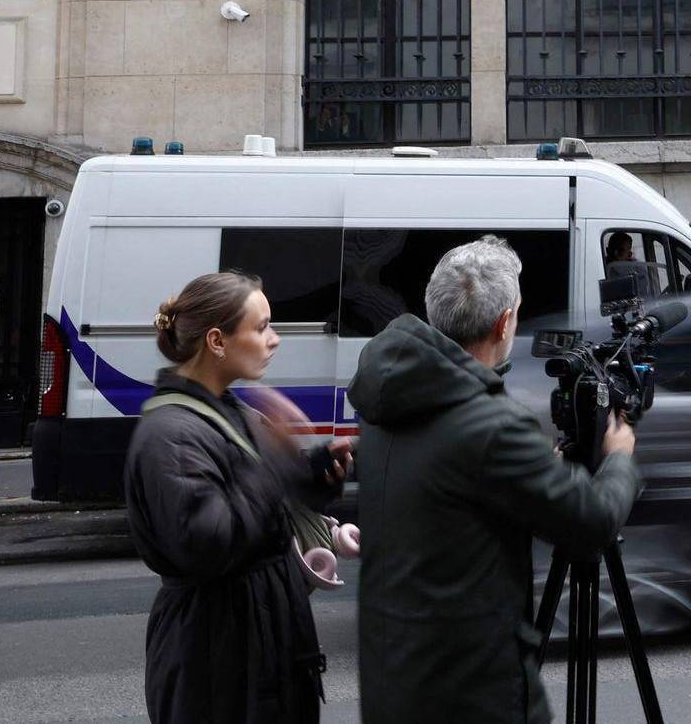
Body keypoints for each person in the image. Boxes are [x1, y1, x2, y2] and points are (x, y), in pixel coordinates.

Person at [351, 236, 642, 724]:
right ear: (505, 322)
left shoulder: (386, 399)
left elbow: (448, 497)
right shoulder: (492, 426)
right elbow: (590, 524)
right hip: (472, 695)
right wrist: (619, 459)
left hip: (394, 683)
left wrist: (527, 466)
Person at [122, 271, 354, 724]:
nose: (275, 339)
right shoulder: (170, 433)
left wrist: (314, 473)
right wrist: (275, 468)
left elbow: (260, 499)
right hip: (217, 662)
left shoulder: (231, 410)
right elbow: (203, 541)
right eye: (262, 326)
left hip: (256, 651)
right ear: (217, 341)